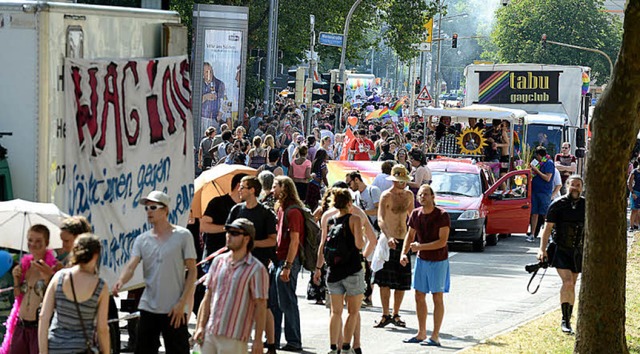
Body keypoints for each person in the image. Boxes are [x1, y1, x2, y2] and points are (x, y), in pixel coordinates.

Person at [112, 191, 197, 354]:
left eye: (153, 207)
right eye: (146, 208)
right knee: (144, 349)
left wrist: (182, 303)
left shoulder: (183, 236)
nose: (149, 211)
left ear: (165, 210)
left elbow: (192, 271)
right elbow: (131, 266)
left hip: (174, 309)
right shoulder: (142, 239)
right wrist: (120, 281)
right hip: (148, 307)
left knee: (178, 350)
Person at [193, 218, 269, 354]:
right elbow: (208, 296)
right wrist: (200, 326)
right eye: (228, 232)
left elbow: (261, 305)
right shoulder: (218, 261)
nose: (228, 236)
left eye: (234, 233)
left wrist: (258, 340)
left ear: (247, 239)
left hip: (235, 337)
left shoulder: (256, 269)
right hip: (211, 332)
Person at [227, 176, 278, 353]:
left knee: (263, 304)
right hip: (237, 264)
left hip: (259, 264)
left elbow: (272, 240)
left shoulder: (265, 213)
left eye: (243, 187)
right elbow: (229, 234)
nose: (239, 190)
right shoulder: (236, 210)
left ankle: (271, 344)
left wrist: (252, 243)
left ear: (252, 190)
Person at [39, 234, 110, 354]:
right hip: (81, 349)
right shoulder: (100, 286)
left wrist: (42, 352)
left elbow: (43, 317)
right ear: (96, 255)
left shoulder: (59, 277)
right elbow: (102, 328)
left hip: (55, 346)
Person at [314, 188, 365, 354]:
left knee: (335, 312)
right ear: (349, 203)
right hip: (352, 270)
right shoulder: (354, 219)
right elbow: (359, 245)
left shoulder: (330, 221)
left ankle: (332, 347)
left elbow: (322, 246)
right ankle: (345, 347)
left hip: (333, 272)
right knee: (353, 312)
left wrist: (318, 268)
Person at [400, 185, 451, 347]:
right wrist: (404, 253)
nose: (422, 197)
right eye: (420, 195)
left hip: (438, 261)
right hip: (422, 261)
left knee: (437, 297)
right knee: (419, 296)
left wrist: (420, 247)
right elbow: (410, 235)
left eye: (426, 194)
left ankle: (435, 336)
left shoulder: (442, 215)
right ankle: (421, 333)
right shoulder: (415, 214)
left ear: (432, 196)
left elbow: (442, 242)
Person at [536, 175, 585, 334]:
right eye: (572, 185)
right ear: (566, 186)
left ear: (582, 188)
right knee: (568, 282)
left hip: (578, 250)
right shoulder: (557, 205)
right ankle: (565, 322)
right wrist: (542, 249)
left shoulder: (586, 205)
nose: (575, 188)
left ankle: (568, 319)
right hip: (560, 249)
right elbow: (547, 229)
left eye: (578, 185)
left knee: (573, 283)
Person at [2, 225, 58, 354]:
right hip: (20, 326)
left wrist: (48, 278)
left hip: (39, 328)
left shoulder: (54, 267)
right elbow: (18, 296)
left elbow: (55, 301)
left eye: (38, 241)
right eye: (30, 240)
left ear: (47, 243)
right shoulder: (25, 266)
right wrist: (16, 279)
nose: (33, 244)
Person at [373, 165, 415, 329]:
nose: (402, 184)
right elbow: (381, 219)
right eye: (399, 181)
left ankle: (396, 313)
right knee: (384, 281)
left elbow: (412, 218)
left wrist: (413, 236)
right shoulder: (386, 196)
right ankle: (385, 314)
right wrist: (388, 236)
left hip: (403, 240)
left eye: (404, 181)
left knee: (401, 281)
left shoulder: (409, 195)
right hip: (389, 240)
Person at [270, 176, 305, 351]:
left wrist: (288, 266)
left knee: (287, 302)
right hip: (278, 260)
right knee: (274, 303)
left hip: (287, 261)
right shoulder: (281, 208)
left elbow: (294, 241)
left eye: (275, 186)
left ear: (284, 188)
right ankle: (273, 340)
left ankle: (294, 341)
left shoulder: (293, 211)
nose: (272, 189)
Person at [200, 173, 246, 268]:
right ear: (238, 186)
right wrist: (228, 228)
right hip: (215, 258)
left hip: (238, 260)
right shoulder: (217, 203)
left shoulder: (247, 206)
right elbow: (203, 226)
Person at [526, 146, 555, 242]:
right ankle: (532, 234)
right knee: (534, 213)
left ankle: (550, 235)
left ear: (539, 155)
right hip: (535, 191)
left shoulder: (549, 163)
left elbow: (547, 178)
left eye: (537, 156)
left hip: (544, 192)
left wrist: (536, 170)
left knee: (545, 214)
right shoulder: (538, 163)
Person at [628, 163, 640, 230]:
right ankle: (632, 226)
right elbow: (629, 183)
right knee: (634, 210)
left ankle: (637, 225)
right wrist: (632, 193)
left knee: (639, 211)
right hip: (636, 192)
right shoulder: (634, 171)